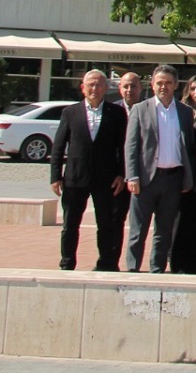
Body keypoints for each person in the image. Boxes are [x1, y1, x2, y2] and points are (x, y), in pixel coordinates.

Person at [123, 64, 196, 273]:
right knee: (138, 230)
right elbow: (131, 146)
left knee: (164, 231)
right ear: (152, 84)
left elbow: (188, 145)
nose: (163, 87)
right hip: (146, 179)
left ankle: (157, 270)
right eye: (159, 83)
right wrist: (132, 176)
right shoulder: (141, 109)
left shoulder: (184, 112)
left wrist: (187, 179)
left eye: (168, 83)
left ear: (175, 85)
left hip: (173, 179)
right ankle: (132, 269)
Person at [51, 69, 128, 271]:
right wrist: (55, 176)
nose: (94, 88)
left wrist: (122, 174)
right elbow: (59, 146)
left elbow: (123, 146)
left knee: (106, 225)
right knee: (70, 225)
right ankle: (67, 262)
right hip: (75, 178)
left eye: (99, 84)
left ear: (106, 88)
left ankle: (106, 263)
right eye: (90, 85)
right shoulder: (70, 112)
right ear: (83, 88)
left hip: (106, 178)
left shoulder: (117, 113)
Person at [169, 74, 196, 275]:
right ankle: (178, 263)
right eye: (193, 88)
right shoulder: (181, 112)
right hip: (185, 174)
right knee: (181, 221)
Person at [108, 70, 144, 270]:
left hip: (146, 176)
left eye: (134, 86)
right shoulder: (112, 111)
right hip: (120, 179)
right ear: (120, 88)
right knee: (115, 221)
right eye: (125, 86)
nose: (129, 90)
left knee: (142, 225)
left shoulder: (149, 108)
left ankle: (136, 264)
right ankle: (111, 262)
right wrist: (120, 174)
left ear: (141, 88)